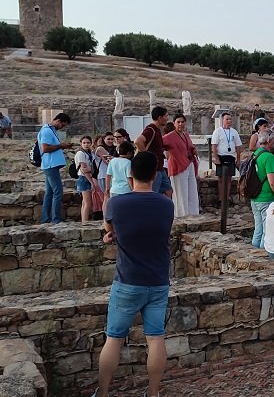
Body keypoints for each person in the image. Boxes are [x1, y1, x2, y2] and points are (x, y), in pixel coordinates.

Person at [94, 151, 175, 397]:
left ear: (131, 174)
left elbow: (110, 229)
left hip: (128, 279)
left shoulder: (117, 203)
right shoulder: (166, 205)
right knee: (155, 338)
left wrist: (111, 235)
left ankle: (104, 392)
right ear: (155, 174)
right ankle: (152, 392)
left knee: (114, 339)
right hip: (158, 280)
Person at [38, 113, 73, 224]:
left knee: (49, 192)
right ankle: (56, 219)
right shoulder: (47, 131)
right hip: (50, 165)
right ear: (58, 120)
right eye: (62, 125)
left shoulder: (50, 130)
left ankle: (46, 218)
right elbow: (45, 148)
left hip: (51, 165)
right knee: (58, 192)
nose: (62, 127)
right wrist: (61, 146)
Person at [163, 114, 201, 217]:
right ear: (174, 123)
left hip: (189, 164)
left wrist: (193, 150)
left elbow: (190, 147)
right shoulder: (169, 136)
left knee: (192, 192)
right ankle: (181, 216)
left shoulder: (186, 135)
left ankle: (194, 214)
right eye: (178, 122)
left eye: (182, 122)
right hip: (178, 166)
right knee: (181, 194)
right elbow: (160, 144)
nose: (180, 124)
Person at [250, 131, 274, 248]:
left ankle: (253, 252)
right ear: (269, 141)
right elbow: (273, 183)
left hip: (255, 197)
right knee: (266, 230)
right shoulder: (269, 157)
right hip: (267, 197)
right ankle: (262, 254)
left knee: (258, 229)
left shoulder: (255, 154)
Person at [134, 106, 173, 198]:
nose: (167, 119)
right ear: (160, 118)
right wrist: (147, 157)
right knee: (153, 193)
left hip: (160, 167)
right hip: (154, 169)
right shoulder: (150, 129)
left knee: (168, 190)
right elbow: (138, 141)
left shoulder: (157, 130)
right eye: (166, 116)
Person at [211, 112, 243, 204]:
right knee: (221, 178)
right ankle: (221, 197)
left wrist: (238, 159)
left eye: (230, 119)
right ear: (222, 120)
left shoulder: (234, 132)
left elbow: (238, 146)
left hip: (231, 157)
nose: (229, 121)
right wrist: (216, 158)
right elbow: (214, 146)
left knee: (229, 178)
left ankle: (227, 197)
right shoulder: (218, 131)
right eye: (227, 119)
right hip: (221, 157)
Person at [74, 136, 99, 223]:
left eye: (88, 143)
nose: (86, 144)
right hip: (84, 178)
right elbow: (84, 169)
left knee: (85, 202)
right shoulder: (80, 153)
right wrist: (91, 182)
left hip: (88, 176)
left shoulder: (90, 153)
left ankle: (84, 221)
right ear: (81, 144)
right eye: (84, 143)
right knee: (87, 202)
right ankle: (85, 221)